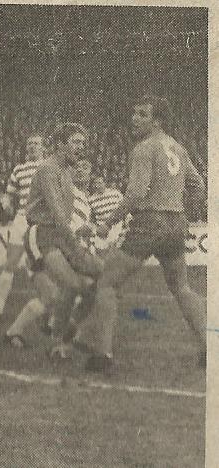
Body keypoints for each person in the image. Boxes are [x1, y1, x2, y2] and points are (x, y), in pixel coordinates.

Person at [73, 95, 207, 373]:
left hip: (149, 223)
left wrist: (107, 223)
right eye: (134, 112)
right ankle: (209, 348)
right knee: (181, 287)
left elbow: (134, 194)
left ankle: (103, 355)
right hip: (175, 222)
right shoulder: (178, 148)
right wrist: (181, 210)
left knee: (107, 283)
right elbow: (198, 186)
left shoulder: (145, 148)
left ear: (158, 121)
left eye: (142, 114)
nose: (134, 118)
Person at [21, 123, 102, 361]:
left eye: (83, 143)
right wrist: (76, 244)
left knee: (96, 279)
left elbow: (66, 216)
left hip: (61, 235)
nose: (81, 148)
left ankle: (67, 329)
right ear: (60, 145)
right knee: (72, 284)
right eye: (76, 142)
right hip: (42, 234)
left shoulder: (67, 171)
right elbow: (57, 213)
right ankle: (57, 341)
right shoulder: (48, 169)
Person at [5, 158, 95, 347]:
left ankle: (62, 330)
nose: (80, 170)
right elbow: (65, 226)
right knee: (54, 294)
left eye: (85, 167)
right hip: (43, 245)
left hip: (62, 249)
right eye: (76, 167)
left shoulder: (84, 199)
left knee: (82, 289)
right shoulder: (63, 192)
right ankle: (27, 333)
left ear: (91, 174)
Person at [0, 135, 46, 321]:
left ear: (43, 148)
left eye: (36, 143)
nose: (32, 146)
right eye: (29, 143)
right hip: (21, 220)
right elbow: (9, 194)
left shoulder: (48, 167)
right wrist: (5, 203)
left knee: (44, 266)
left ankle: (49, 306)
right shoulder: (18, 170)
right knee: (10, 262)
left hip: (41, 222)